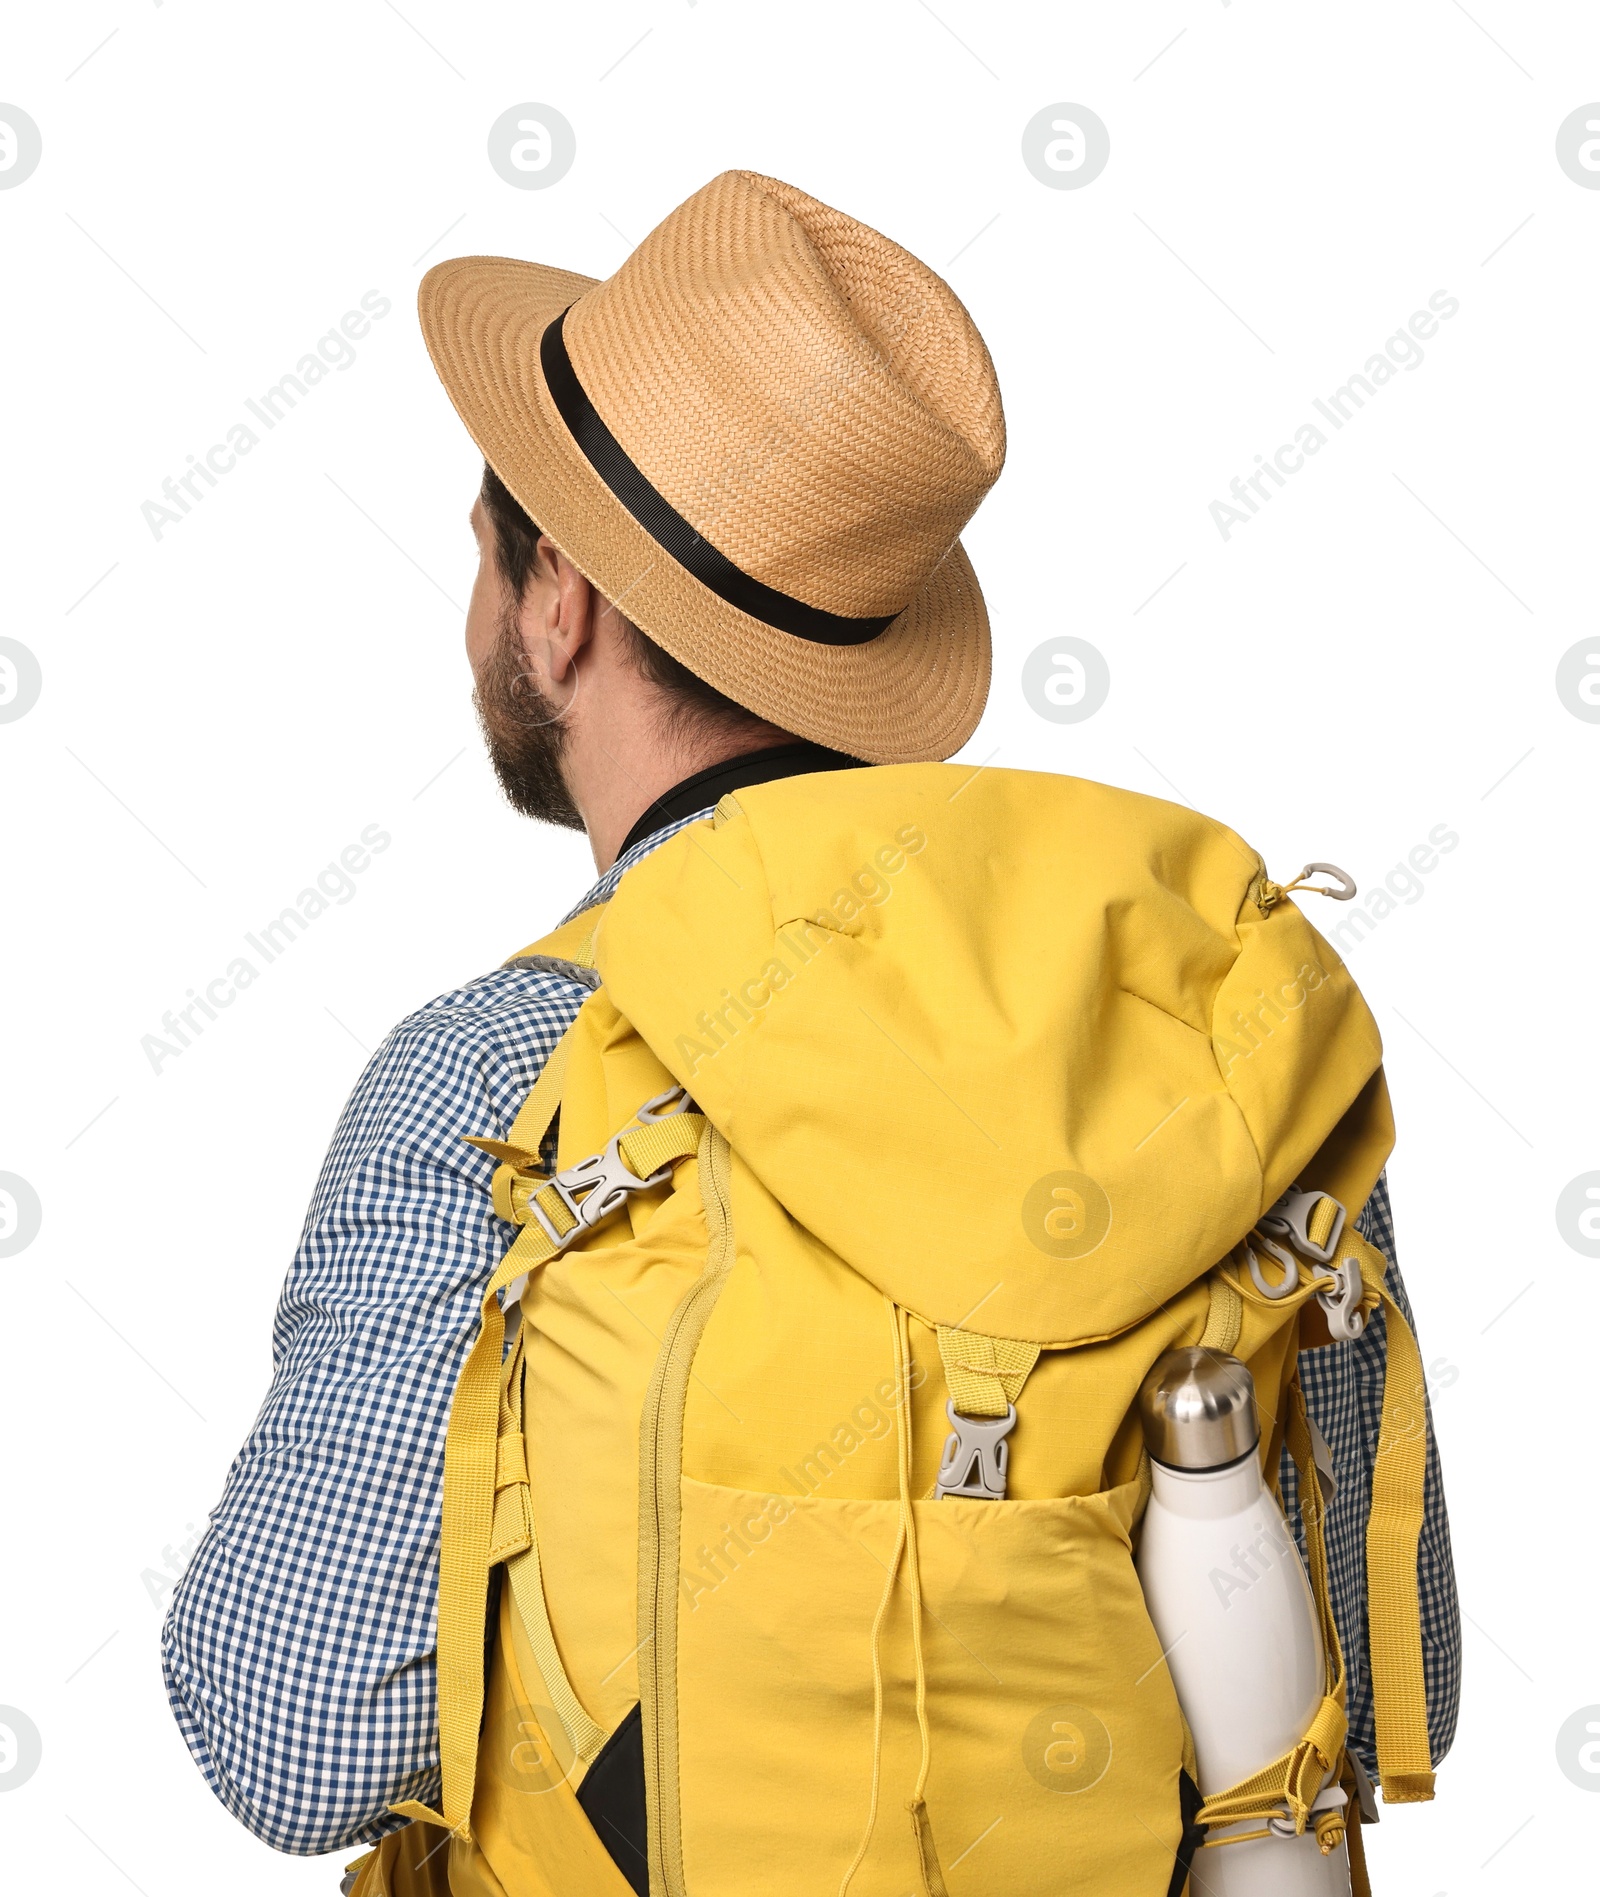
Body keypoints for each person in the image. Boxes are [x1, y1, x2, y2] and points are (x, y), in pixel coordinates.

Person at [162, 170, 1458, 1870]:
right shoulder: (1198, 1019)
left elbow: (299, 1736)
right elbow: (1383, 1674)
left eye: (484, 559)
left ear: (560, 597)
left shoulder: (501, 1074)